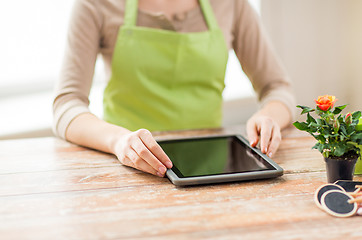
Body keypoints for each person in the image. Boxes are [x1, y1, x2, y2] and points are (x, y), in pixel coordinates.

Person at [53, 0, 295, 178]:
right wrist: (119, 141)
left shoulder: (232, 4)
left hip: (211, 173)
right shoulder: (95, 5)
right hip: (130, 172)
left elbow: (277, 88)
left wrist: (269, 116)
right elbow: (66, 106)